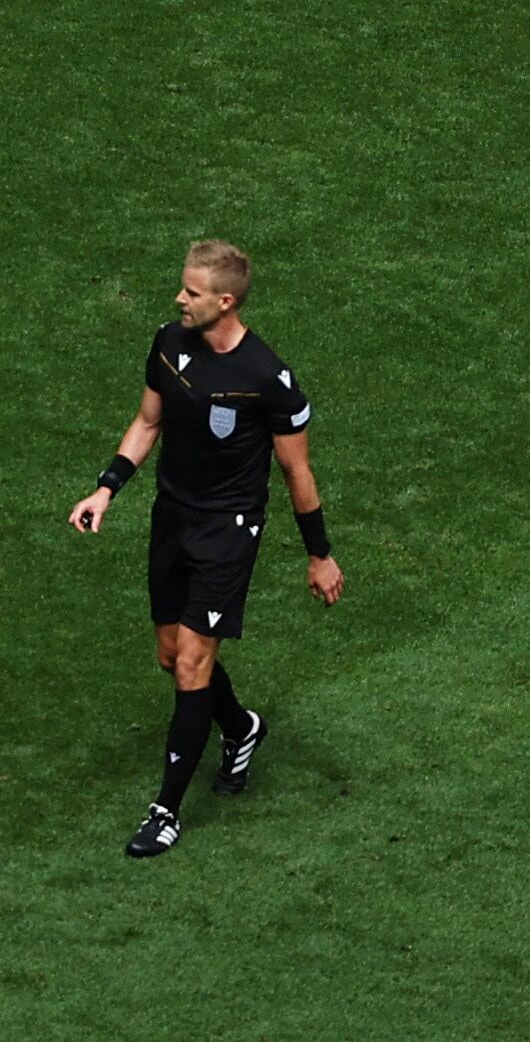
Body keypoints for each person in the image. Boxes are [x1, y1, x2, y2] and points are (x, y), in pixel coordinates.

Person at [66, 239, 341, 861]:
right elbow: (148, 423)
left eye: (190, 292)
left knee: (193, 665)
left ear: (226, 300)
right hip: (172, 517)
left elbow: (298, 473)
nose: (178, 299)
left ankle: (166, 811)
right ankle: (241, 726)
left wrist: (318, 553)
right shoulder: (169, 342)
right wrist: (106, 489)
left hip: (228, 530)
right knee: (170, 657)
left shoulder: (266, 378)